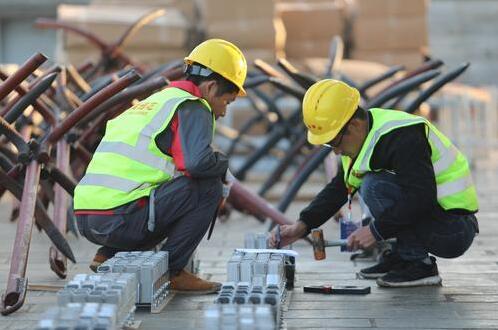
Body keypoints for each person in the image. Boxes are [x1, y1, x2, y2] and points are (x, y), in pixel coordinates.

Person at [73, 39, 247, 294]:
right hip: (120, 220)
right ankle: (172, 270)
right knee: (208, 185)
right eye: (228, 102)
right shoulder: (193, 106)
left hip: (88, 219)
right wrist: (222, 164)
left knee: (165, 185)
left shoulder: (156, 101)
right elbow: (196, 164)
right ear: (210, 87)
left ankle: (108, 255)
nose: (222, 112)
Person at [270, 79, 479, 287]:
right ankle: (403, 256)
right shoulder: (361, 140)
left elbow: (421, 196)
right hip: (436, 220)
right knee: (371, 183)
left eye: (333, 141)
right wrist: (302, 225)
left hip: (454, 230)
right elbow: (340, 187)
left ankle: (418, 264)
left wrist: (375, 230)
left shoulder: (402, 136)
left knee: (374, 187)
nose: (335, 150)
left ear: (354, 125)